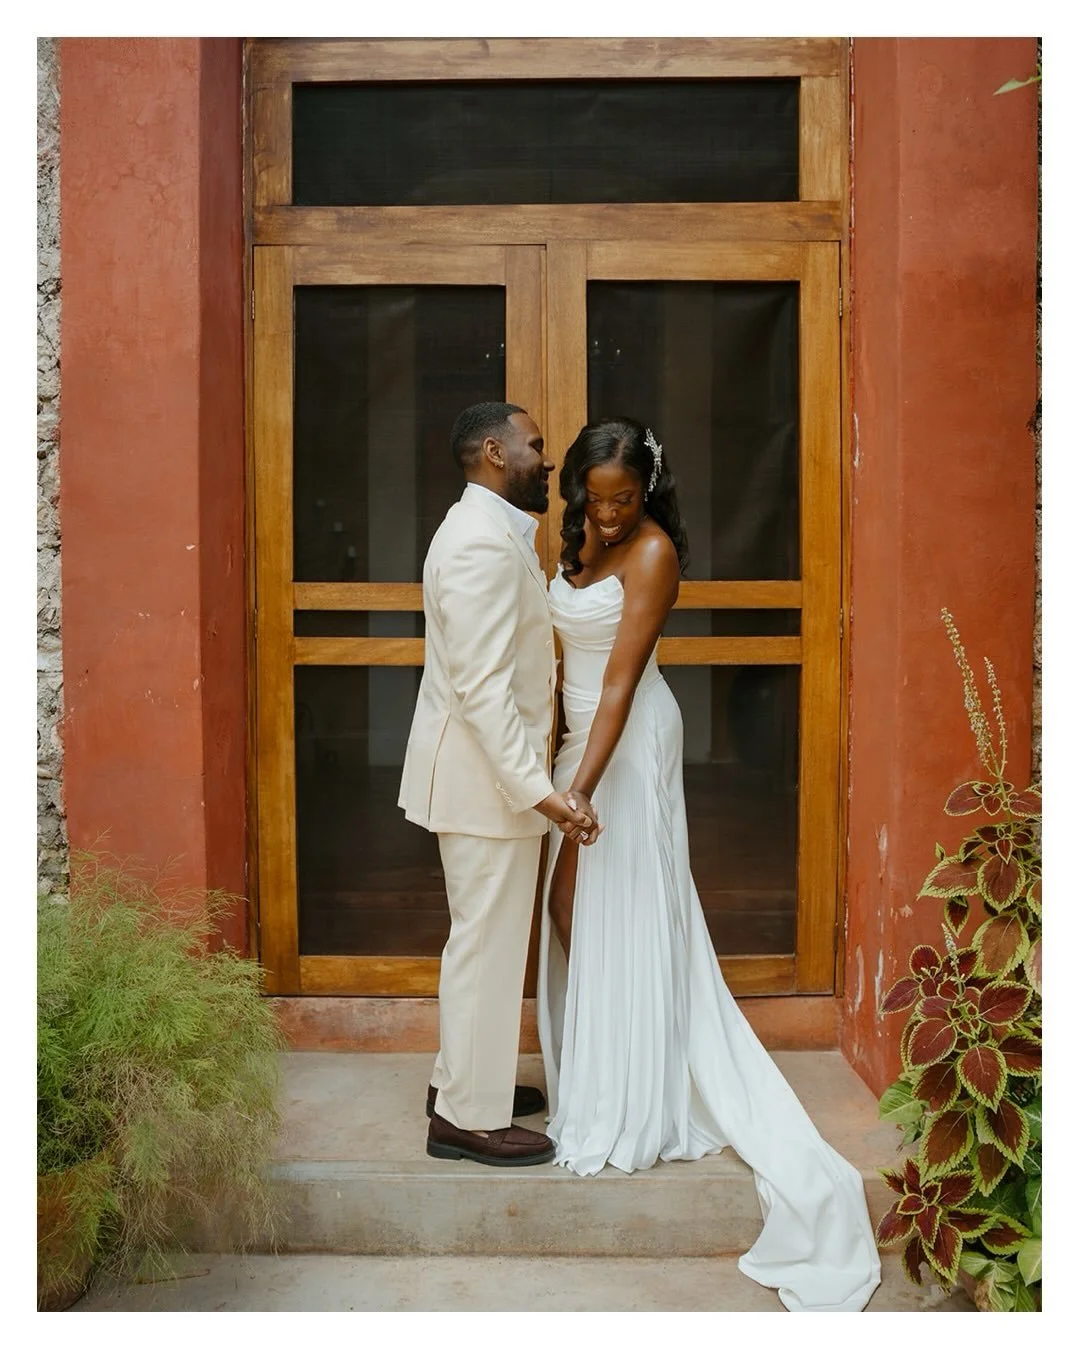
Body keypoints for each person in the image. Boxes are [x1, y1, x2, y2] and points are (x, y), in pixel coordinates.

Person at [536, 417, 882, 1311]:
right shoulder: (577, 532)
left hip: (623, 740)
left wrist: (581, 786)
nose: (610, 517)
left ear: (648, 493)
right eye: (598, 499)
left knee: (621, 901)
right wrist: (550, 765)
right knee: (572, 909)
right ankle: (608, 1063)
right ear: (579, 487)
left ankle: (635, 1092)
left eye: (625, 500)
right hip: (577, 741)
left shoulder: (653, 555)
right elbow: (559, 663)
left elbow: (617, 682)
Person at [399, 401, 602, 1168]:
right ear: (493, 451)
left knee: (481, 942)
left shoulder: (489, 532)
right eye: (535, 446)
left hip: (487, 783)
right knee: (485, 947)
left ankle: (463, 1081)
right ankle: (467, 1118)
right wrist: (540, 790)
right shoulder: (481, 545)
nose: (546, 460)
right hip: (488, 787)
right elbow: (483, 690)